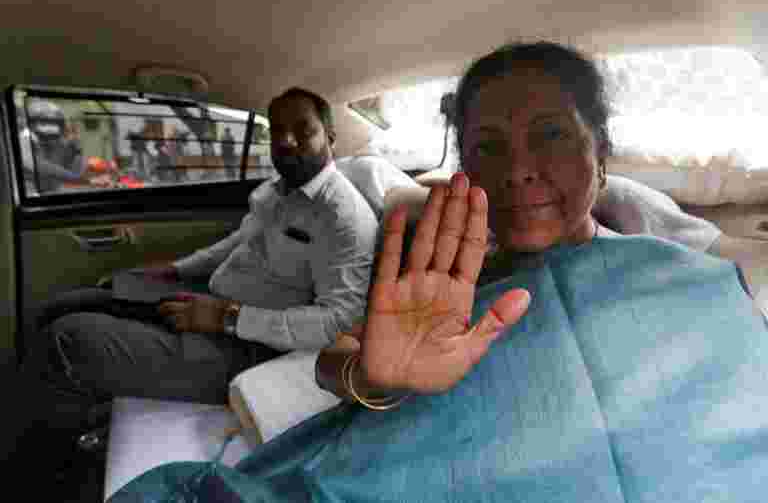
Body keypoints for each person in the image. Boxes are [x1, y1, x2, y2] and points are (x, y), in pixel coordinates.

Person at [111, 42, 768, 502]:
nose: (518, 169)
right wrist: (375, 378)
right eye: (488, 146)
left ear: (601, 151)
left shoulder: (690, 282)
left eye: (550, 135)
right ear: (466, 167)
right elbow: (336, 362)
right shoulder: (439, 276)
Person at [4, 88, 379, 495]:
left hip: (249, 346)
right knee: (59, 307)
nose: (286, 141)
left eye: (303, 130)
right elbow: (238, 243)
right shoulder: (280, 190)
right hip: (208, 301)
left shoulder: (343, 216)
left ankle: (32, 477)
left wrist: (227, 318)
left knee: (65, 343)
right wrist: (174, 270)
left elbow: (338, 321)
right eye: (278, 130)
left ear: (330, 137)